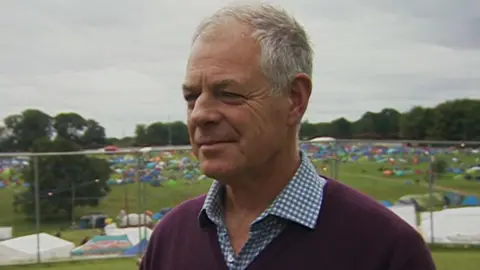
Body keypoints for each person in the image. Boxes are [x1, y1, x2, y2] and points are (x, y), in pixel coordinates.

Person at [140, 3, 436, 270]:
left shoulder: (386, 250)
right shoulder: (169, 238)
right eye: (192, 97)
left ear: (294, 99)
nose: (200, 115)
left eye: (228, 94)